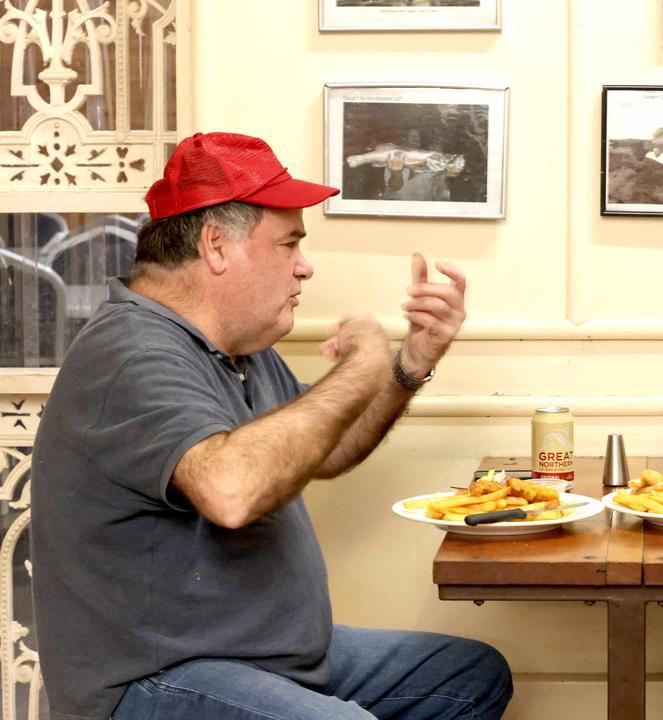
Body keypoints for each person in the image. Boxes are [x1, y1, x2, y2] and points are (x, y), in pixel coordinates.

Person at [30, 132, 512, 720]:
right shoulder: (131, 352)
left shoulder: (236, 346)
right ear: (215, 246)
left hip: (258, 655)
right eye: (289, 244)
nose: (305, 267)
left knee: (468, 676)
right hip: (154, 680)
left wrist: (410, 363)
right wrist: (362, 363)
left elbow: (322, 450)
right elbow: (231, 492)